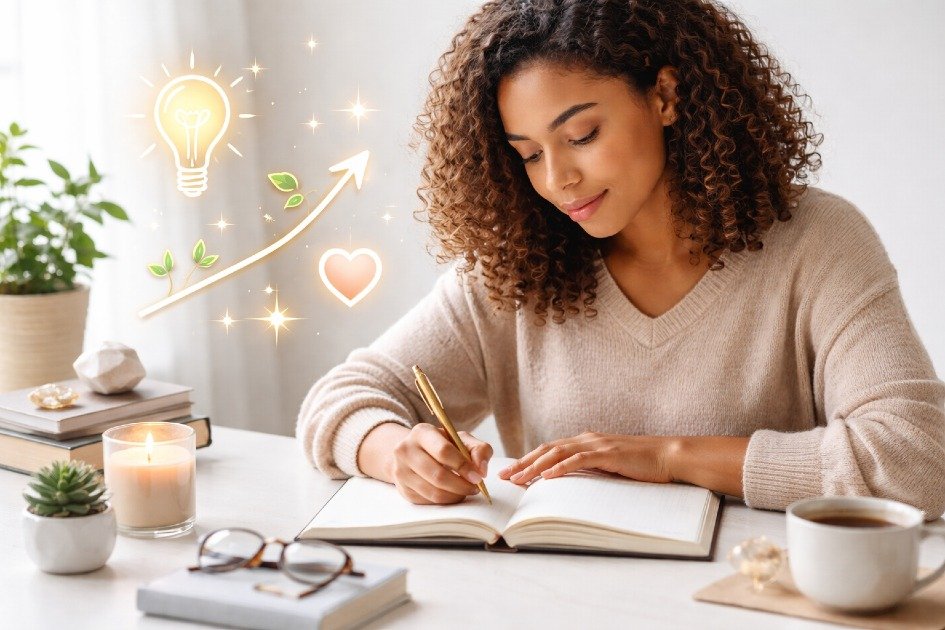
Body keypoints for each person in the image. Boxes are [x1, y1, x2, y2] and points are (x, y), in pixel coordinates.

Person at [296, 0, 945, 518]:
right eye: (528, 154)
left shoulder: (816, 240)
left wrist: (668, 456)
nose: (557, 180)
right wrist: (397, 453)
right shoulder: (518, 265)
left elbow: (918, 457)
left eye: (580, 136)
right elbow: (340, 400)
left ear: (664, 96)